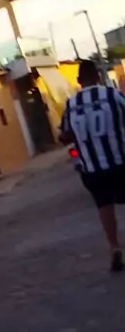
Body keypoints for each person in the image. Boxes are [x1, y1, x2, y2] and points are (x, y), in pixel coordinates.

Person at [60, 59, 125, 272]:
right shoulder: (112, 95)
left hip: (92, 168)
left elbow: (64, 136)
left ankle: (114, 247)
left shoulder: (70, 104)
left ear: (79, 80)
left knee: (104, 205)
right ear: (98, 76)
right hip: (119, 162)